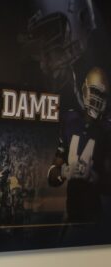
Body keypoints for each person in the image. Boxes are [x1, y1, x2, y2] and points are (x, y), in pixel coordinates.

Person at [47, 66, 111, 224]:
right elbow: (52, 177)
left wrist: (94, 178)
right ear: (85, 90)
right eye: (94, 92)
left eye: (102, 95)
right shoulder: (70, 121)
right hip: (72, 215)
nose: (97, 99)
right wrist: (64, 172)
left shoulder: (106, 130)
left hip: (97, 218)